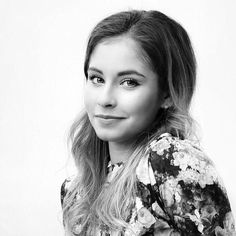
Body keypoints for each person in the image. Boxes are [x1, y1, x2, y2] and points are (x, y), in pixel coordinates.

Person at [61, 10, 236, 236]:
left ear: (168, 93)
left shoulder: (171, 163)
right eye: (97, 78)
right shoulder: (74, 191)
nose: (104, 99)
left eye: (129, 82)